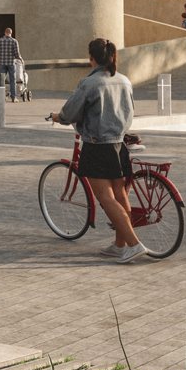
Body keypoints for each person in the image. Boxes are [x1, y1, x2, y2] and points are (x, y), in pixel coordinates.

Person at [47, 38, 142, 262]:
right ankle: (120, 245)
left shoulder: (89, 84)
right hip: (119, 145)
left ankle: (134, 244)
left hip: (97, 145)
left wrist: (56, 117)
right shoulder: (124, 81)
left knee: (106, 198)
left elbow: (68, 114)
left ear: (91, 58)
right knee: (119, 195)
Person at [0, 26, 23, 101]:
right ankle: (13, 97)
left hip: (2, 63)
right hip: (11, 63)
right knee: (12, 80)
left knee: (2, 80)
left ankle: (2, 97)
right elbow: (17, 54)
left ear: (5, 33)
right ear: (11, 33)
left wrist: (0, 58)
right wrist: (19, 57)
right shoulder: (14, 41)